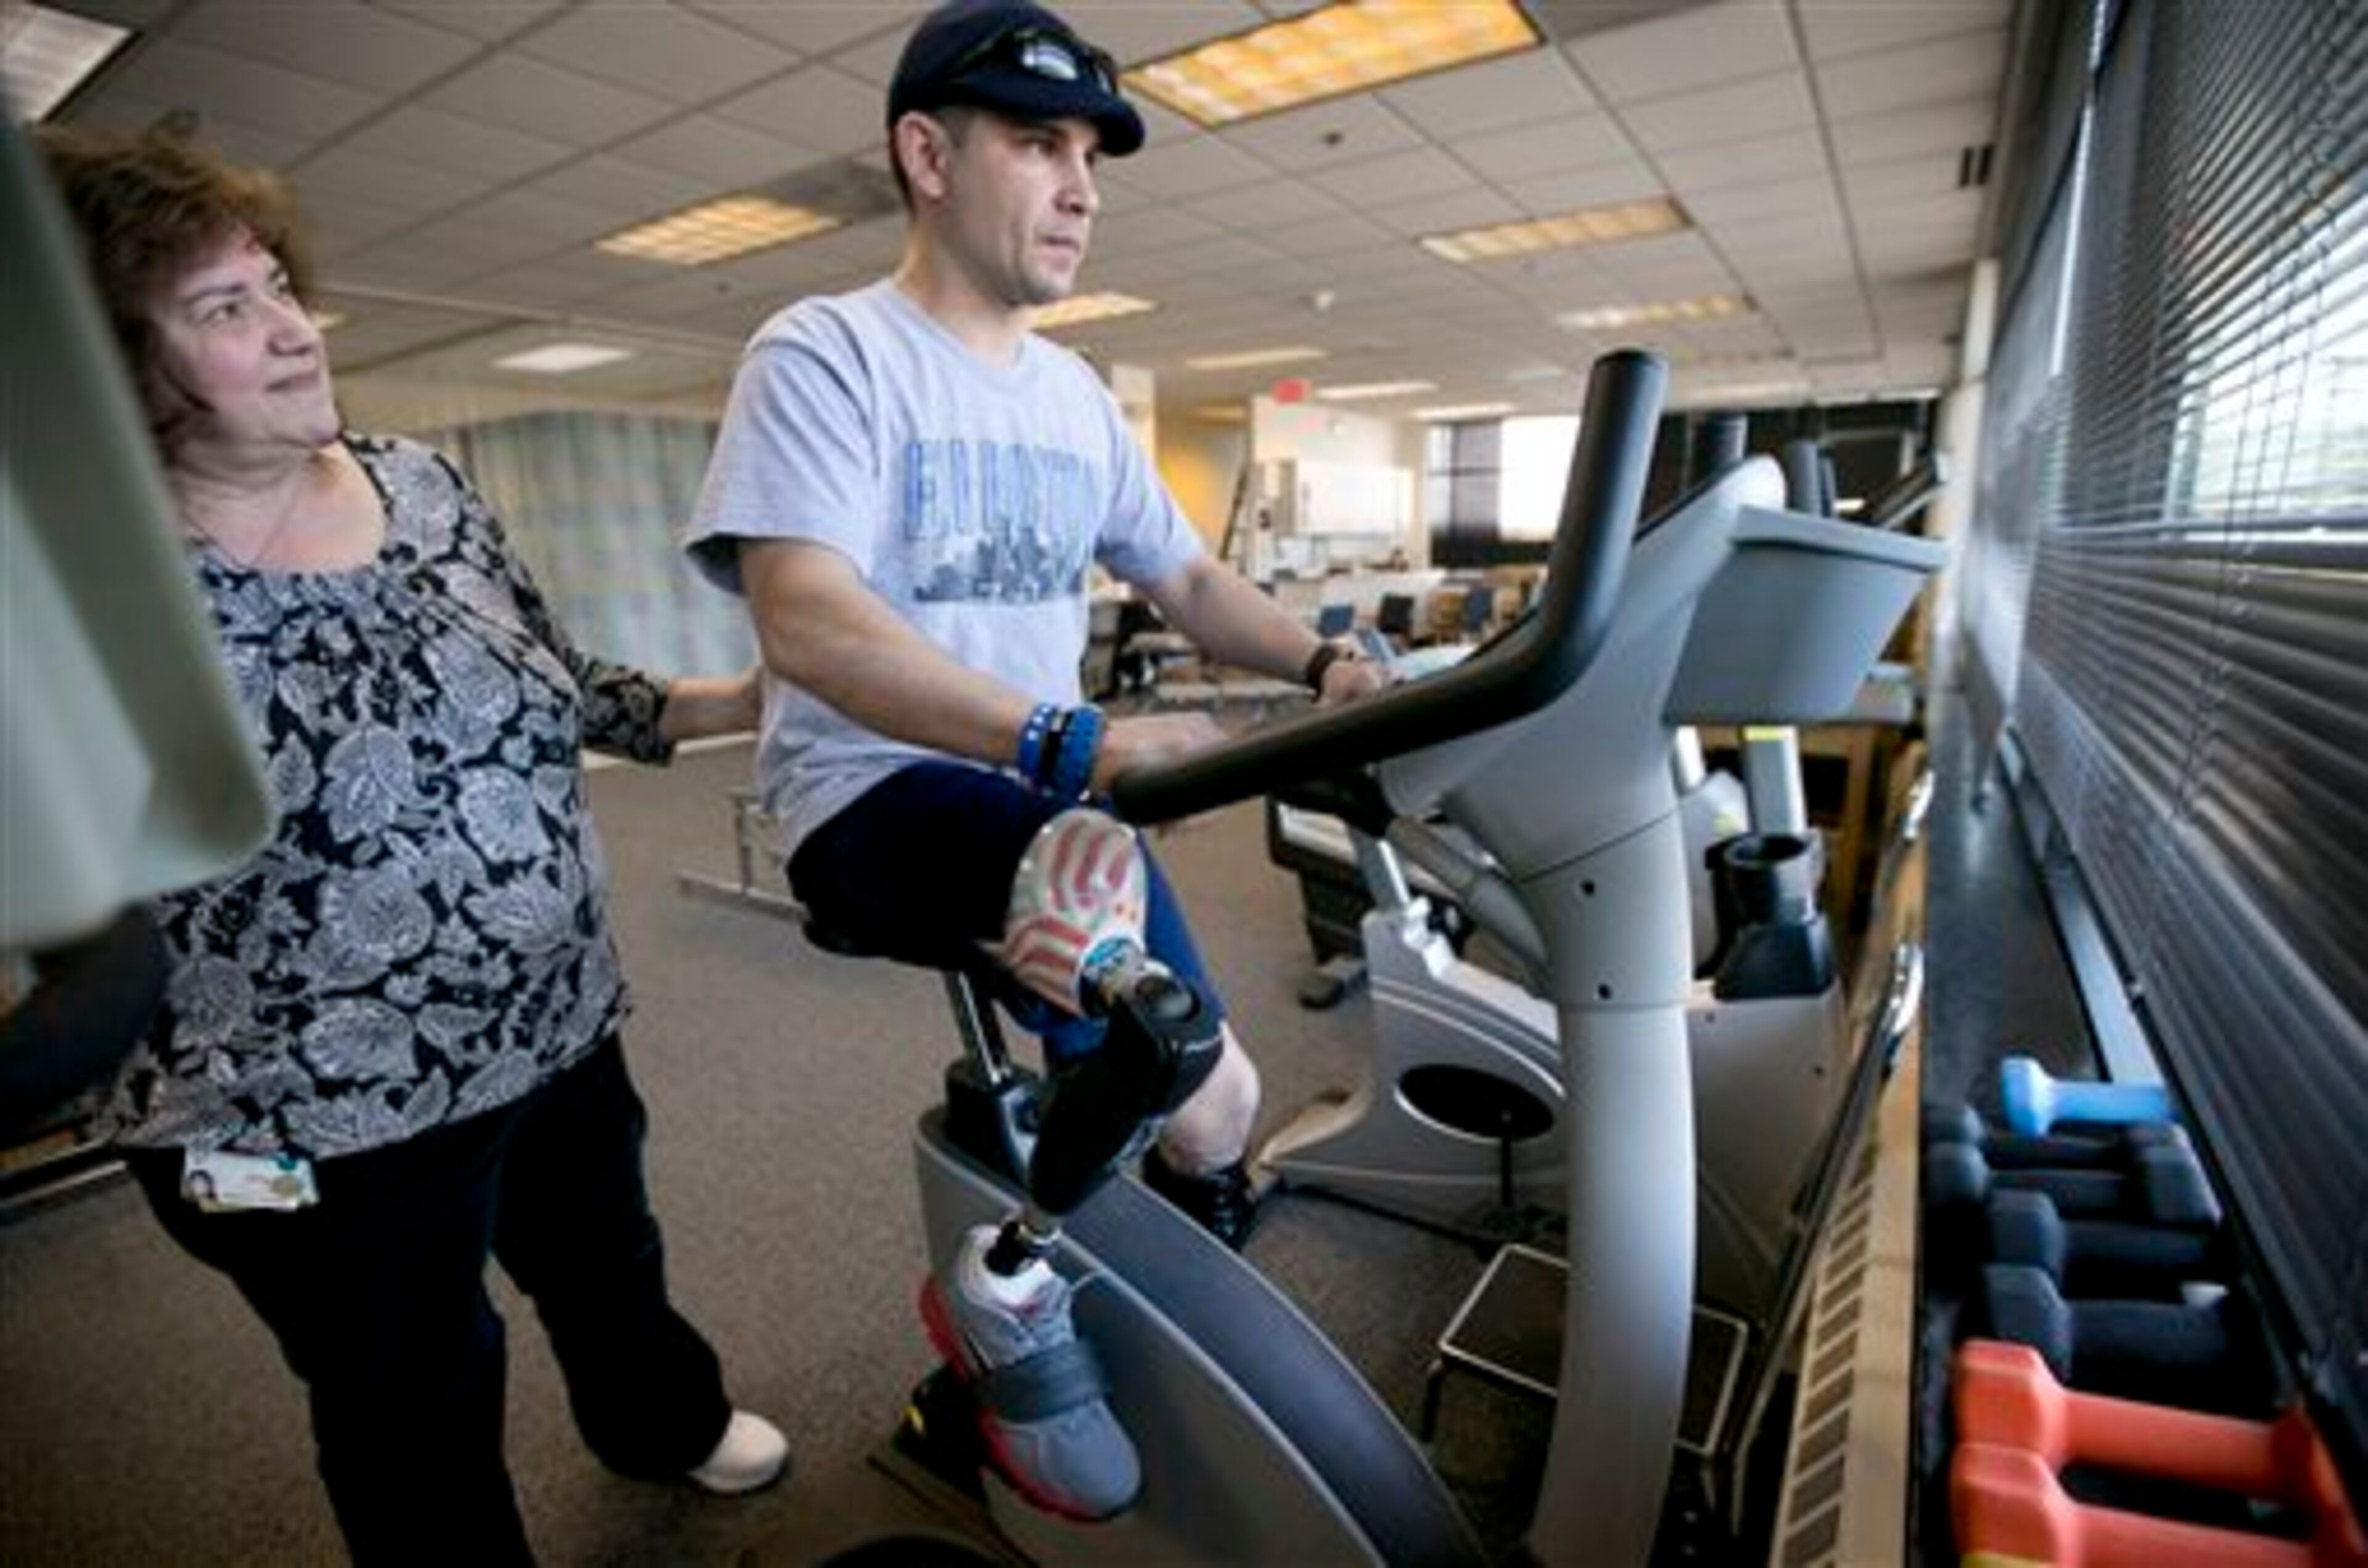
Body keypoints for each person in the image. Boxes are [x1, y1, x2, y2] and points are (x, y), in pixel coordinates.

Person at [36, 126, 787, 1566]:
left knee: (606, 1260)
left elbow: (548, 672)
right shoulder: (88, 589)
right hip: (316, 1113)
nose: (291, 332)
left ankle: (657, 1420)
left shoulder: (423, 483)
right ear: (111, 367)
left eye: (276, 288)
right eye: (222, 309)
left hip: (556, 1020)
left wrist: (733, 701)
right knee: (412, 1387)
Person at [682, 0, 1386, 1523]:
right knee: (1085, 888)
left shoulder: (1073, 396)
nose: (1080, 184)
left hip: (1048, 815)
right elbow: (803, 622)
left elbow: (1192, 585)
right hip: (873, 796)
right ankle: (1013, 1297)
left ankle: (1142, 1315)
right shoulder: (825, 354)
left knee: (1211, 1102)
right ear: (926, 155)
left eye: (1091, 154)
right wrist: (1065, 737)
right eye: (1038, 143)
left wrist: (1326, 664)